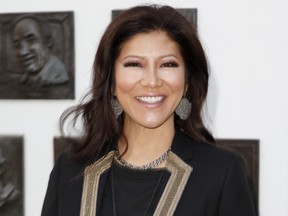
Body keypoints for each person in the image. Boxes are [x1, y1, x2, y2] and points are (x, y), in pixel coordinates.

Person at [42, 5, 256, 216]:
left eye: (168, 65)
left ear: (187, 80)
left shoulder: (222, 173)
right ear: (111, 80)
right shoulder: (69, 170)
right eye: (134, 64)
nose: (152, 81)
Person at [11, 15, 69, 86]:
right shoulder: (25, 78)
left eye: (30, 40)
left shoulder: (58, 75)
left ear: (48, 41)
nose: (23, 52)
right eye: (17, 44)